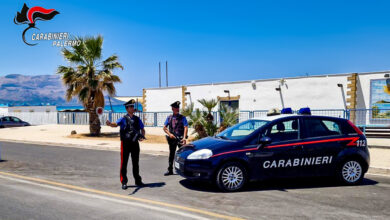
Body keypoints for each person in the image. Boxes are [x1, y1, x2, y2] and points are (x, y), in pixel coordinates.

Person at [106, 99, 145, 189]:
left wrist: (142, 136)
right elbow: (115, 124)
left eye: (132, 106)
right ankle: (124, 181)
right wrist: (109, 124)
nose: (132, 108)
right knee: (124, 163)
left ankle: (138, 181)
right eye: (130, 107)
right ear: (127, 109)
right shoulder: (123, 119)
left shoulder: (137, 119)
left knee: (136, 163)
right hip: (125, 144)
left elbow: (142, 128)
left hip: (135, 143)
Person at [163, 101, 188, 176]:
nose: (178, 109)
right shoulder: (169, 117)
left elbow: (185, 127)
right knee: (171, 154)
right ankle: (170, 170)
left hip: (180, 138)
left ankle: (184, 170)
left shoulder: (182, 117)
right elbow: (164, 128)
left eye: (178, 107)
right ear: (172, 109)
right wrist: (169, 134)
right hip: (172, 139)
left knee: (183, 154)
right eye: (176, 108)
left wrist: (184, 138)